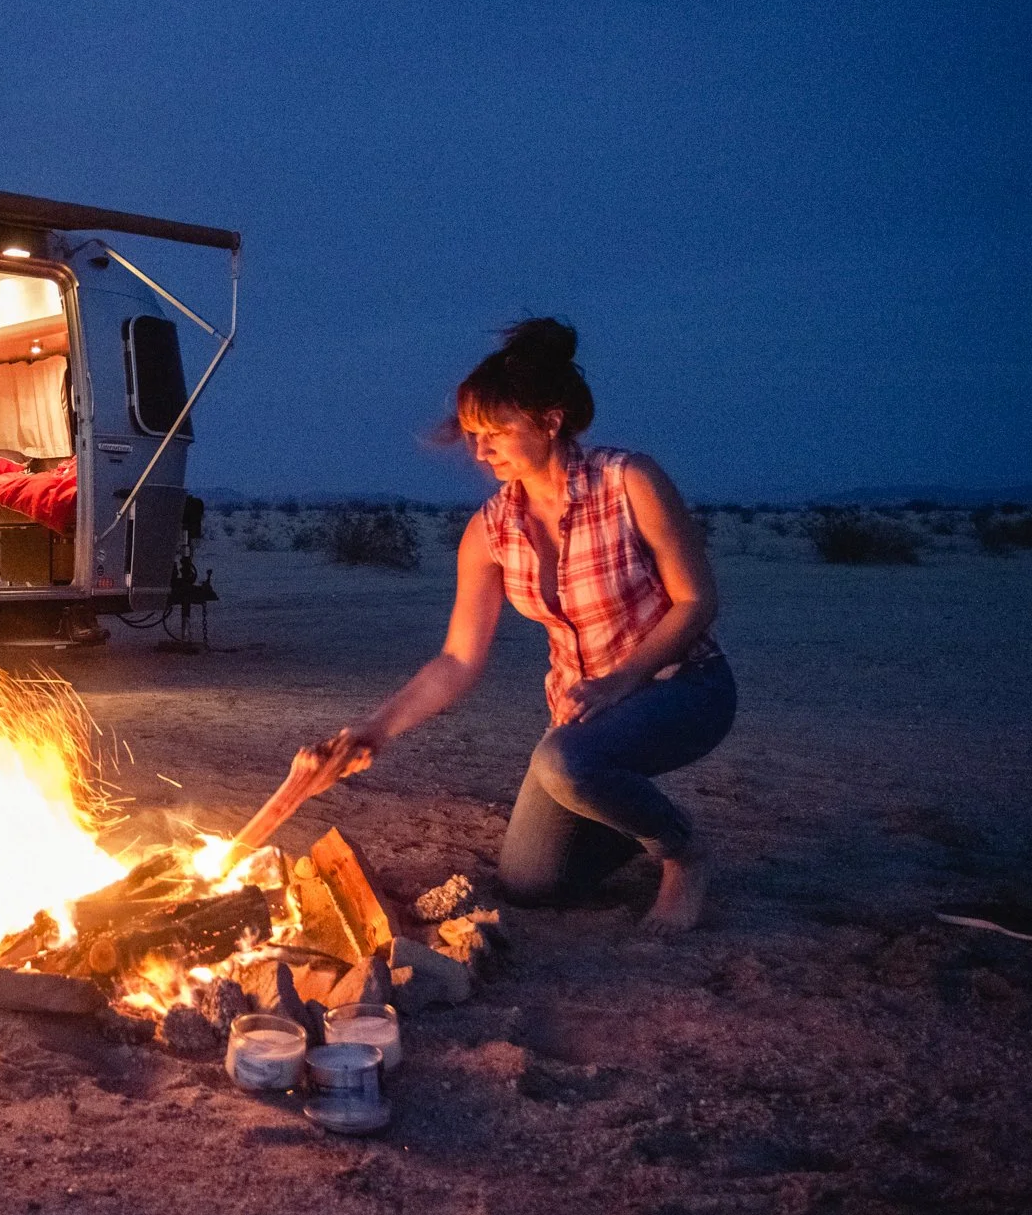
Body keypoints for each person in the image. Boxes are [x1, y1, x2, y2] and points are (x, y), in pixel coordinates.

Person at [299, 318, 733, 930]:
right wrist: (373, 730)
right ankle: (627, 806)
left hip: (682, 686)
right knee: (532, 882)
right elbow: (457, 660)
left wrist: (621, 681)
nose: (480, 450)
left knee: (563, 763)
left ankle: (684, 854)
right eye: (473, 436)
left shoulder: (629, 481)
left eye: (495, 431)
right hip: (585, 719)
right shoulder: (490, 531)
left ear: (549, 421)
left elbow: (697, 600)